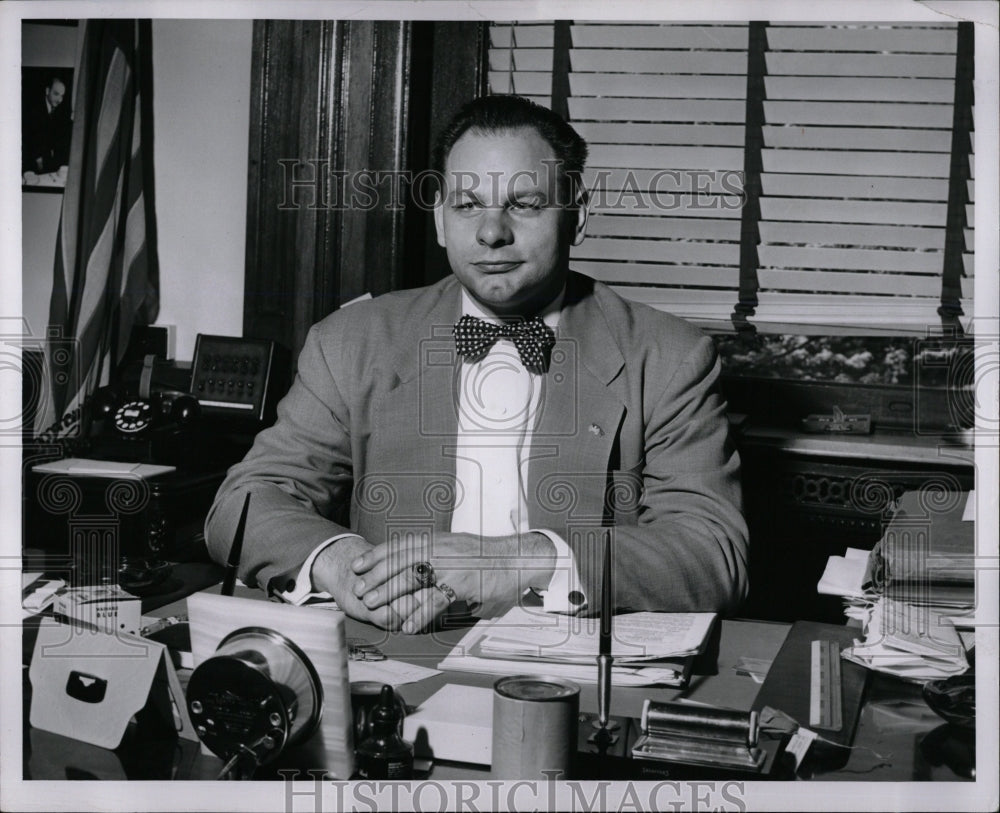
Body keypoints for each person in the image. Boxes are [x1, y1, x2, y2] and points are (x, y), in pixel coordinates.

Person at [206, 94, 748, 633]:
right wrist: (338, 562)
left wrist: (523, 561)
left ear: (577, 216)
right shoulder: (350, 342)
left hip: (569, 668)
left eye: (525, 204)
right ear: (441, 221)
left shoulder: (669, 355)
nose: (492, 232)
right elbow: (245, 502)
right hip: (396, 655)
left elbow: (712, 551)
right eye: (467, 206)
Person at [23, 75, 72, 174]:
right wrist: (38, 159)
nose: (59, 100)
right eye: (56, 94)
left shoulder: (60, 110)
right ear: (47, 91)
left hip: (49, 161)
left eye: (62, 96)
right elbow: (29, 139)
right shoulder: (33, 109)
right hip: (31, 161)